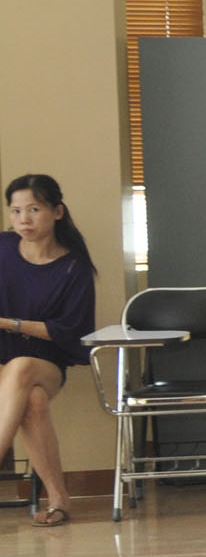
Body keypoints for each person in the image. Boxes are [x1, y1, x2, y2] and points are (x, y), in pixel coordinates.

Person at [0, 175, 98, 527]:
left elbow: (71, 332)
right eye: (15, 211)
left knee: (23, 366)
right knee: (34, 402)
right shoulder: (1, 248)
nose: (23, 219)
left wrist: (9, 323)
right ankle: (58, 499)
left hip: (45, 362)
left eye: (33, 209)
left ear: (57, 212)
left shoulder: (74, 268)